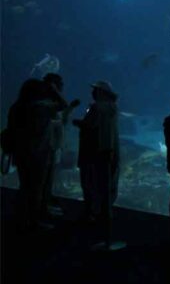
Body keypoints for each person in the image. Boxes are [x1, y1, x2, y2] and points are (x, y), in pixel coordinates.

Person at [6, 79, 61, 231]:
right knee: (36, 188)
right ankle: (33, 221)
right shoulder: (40, 108)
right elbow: (62, 105)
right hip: (38, 153)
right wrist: (54, 91)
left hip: (21, 152)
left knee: (25, 186)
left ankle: (21, 218)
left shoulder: (16, 107)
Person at [73, 80, 121, 249]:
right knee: (107, 185)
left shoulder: (96, 107)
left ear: (101, 92)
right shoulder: (113, 107)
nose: (93, 92)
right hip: (109, 151)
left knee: (92, 182)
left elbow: (90, 125)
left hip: (94, 151)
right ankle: (104, 216)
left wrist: (77, 122)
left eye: (95, 90)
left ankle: (95, 218)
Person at [41, 73, 80, 217]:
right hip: (42, 150)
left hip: (51, 149)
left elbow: (62, 120)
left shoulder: (50, 106)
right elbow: (61, 109)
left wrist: (71, 108)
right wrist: (54, 90)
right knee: (38, 183)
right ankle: (34, 216)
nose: (62, 86)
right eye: (59, 84)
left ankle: (43, 207)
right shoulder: (44, 104)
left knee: (47, 182)